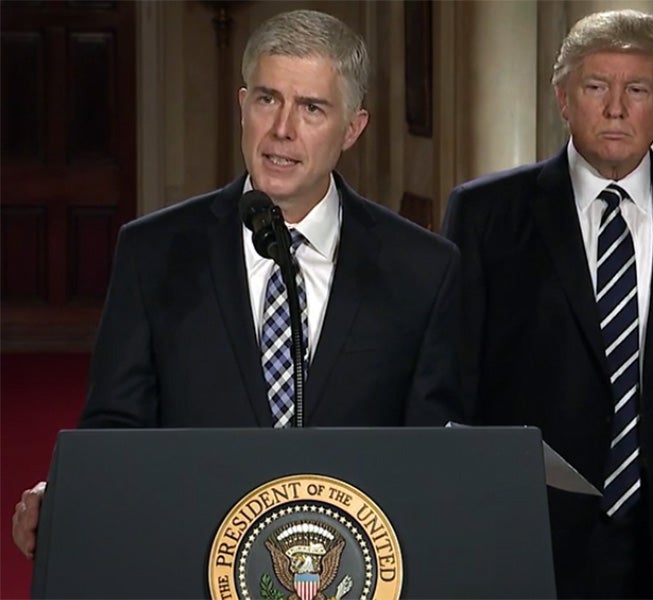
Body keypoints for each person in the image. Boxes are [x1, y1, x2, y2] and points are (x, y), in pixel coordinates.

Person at [13, 9, 462, 559]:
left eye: (312, 108)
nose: (282, 130)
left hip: (355, 569)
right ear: (242, 106)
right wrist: (69, 496)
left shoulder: (421, 269)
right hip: (187, 556)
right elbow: (114, 427)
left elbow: (432, 456)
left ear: (353, 128)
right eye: (267, 100)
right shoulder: (153, 252)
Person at [443, 9, 653, 599]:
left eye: (638, 89)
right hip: (533, 537)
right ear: (563, 98)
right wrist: (457, 531)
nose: (616, 108)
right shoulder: (486, 215)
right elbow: (450, 383)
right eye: (596, 87)